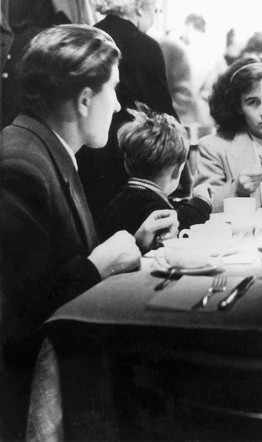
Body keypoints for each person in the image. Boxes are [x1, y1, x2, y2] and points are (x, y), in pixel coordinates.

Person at [0, 25, 178, 439]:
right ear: (84, 100)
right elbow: (17, 317)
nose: (117, 106)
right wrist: (98, 266)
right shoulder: (20, 165)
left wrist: (132, 245)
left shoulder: (46, 148)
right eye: (113, 91)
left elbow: (51, 267)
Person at [77, 0, 183, 219]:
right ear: (139, 7)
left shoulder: (87, 38)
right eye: (155, 9)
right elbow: (164, 116)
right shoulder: (146, 46)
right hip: (134, 163)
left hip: (86, 158)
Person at [98, 104, 212, 240]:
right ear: (177, 171)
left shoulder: (115, 204)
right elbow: (181, 226)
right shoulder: (155, 207)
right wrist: (202, 201)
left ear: (126, 165)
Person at [193, 57, 262, 211]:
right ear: (238, 107)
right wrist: (236, 190)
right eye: (252, 102)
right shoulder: (213, 147)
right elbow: (202, 211)